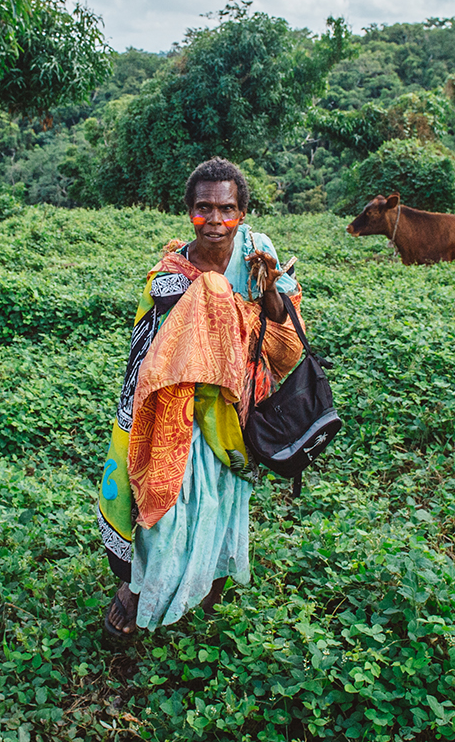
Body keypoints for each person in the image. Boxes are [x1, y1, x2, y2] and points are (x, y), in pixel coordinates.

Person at [97, 157, 304, 641]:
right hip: (180, 411)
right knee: (170, 498)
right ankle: (139, 588)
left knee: (222, 496)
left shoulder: (258, 251)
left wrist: (269, 288)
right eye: (203, 209)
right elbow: (149, 354)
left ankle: (206, 585)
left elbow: (284, 333)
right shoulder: (170, 276)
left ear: (243, 210)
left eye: (227, 209)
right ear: (188, 211)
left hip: (238, 407)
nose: (215, 221)